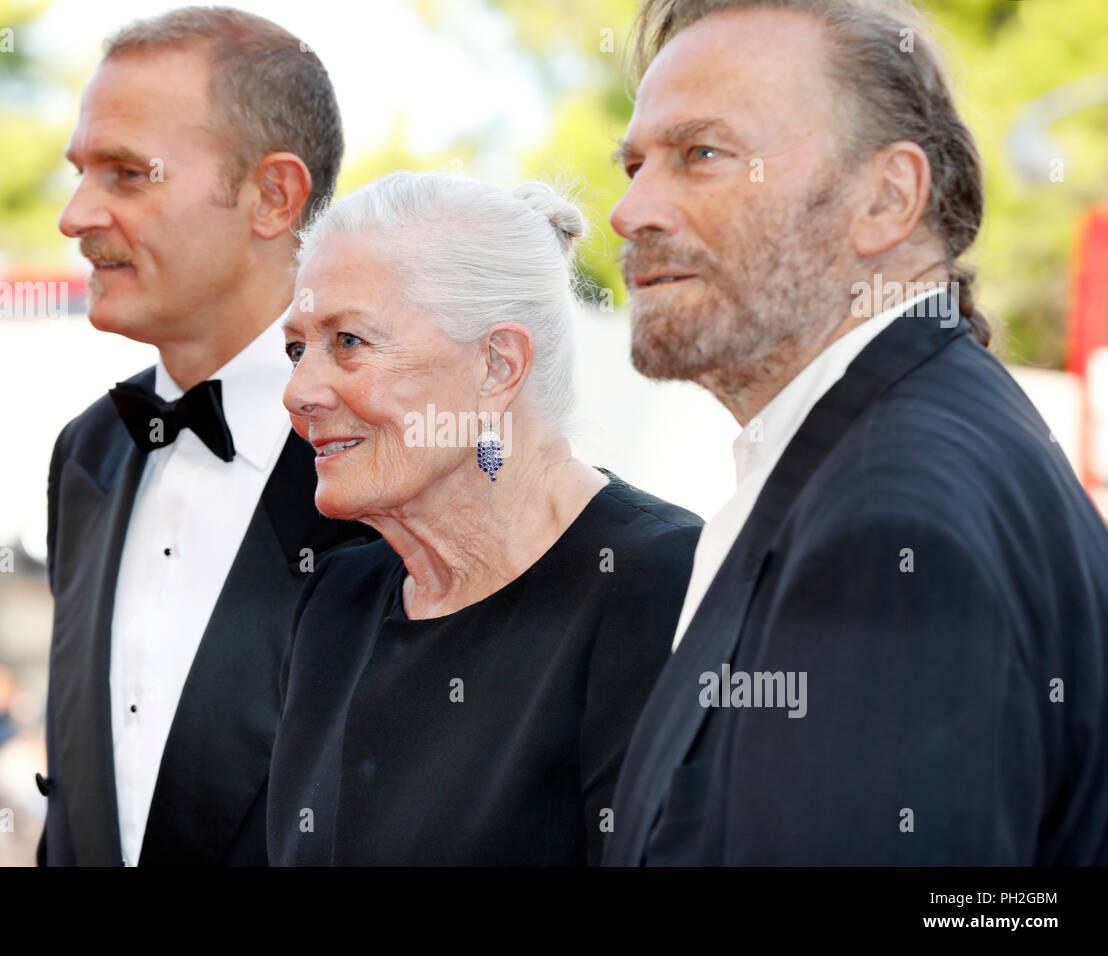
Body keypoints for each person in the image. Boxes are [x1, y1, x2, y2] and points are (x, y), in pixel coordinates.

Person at [605, 0, 1108, 865]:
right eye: (635, 164)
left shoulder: (888, 522)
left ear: (886, 199)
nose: (633, 210)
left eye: (703, 156)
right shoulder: (925, 442)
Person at [268, 171, 703, 866]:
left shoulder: (665, 586)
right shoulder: (336, 603)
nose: (299, 392)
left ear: (498, 366)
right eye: (297, 349)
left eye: (348, 341)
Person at [38, 7, 368, 867]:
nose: (75, 216)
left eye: (126, 174)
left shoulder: (399, 452)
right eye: (80, 172)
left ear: (273, 196)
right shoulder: (87, 455)